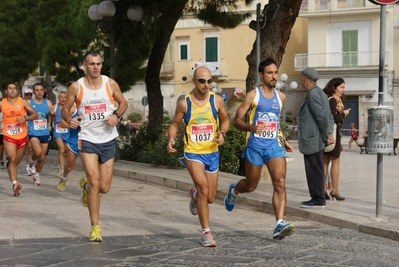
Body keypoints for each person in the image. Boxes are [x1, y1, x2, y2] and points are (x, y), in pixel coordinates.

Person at [223, 57, 295, 240]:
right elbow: (236, 121)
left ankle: (279, 223)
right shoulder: (252, 95)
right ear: (261, 75)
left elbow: (275, 122)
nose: (274, 76)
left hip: (274, 147)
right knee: (251, 185)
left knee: (279, 181)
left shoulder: (281, 97)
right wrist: (252, 128)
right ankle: (235, 190)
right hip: (255, 147)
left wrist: (283, 138)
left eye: (276, 72)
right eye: (269, 73)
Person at [62, 50, 127, 242]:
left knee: (104, 188)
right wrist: (70, 119)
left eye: (98, 63)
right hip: (88, 138)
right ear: (85, 65)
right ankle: (95, 227)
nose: (96, 67)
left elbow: (123, 103)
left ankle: (86, 189)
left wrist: (116, 115)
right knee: (95, 182)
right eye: (92, 64)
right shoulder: (77, 87)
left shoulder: (110, 83)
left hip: (107, 139)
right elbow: (66, 108)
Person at [167, 66, 229, 247]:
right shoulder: (184, 103)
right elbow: (174, 124)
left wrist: (222, 133)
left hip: (212, 152)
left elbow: (225, 120)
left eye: (209, 81)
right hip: (193, 153)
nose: (206, 84)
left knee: (209, 197)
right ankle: (206, 233)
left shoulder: (216, 101)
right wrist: (171, 138)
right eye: (202, 81)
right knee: (203, 188)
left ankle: (194, 196)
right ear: (194, 81)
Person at [297, 68, 334, 208]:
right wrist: (329, 133)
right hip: (317, 138)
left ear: (306, 79)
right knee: (317, 169)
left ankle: (318, 199)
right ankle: (318, 198)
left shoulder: (313, 94)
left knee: (314, 171)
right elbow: (329, 117)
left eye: (301, 78)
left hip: (313, 139)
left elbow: (322, 117)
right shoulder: (320, 93)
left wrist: (326, 136)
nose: (300, 81)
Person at [0, 82, 37, 196]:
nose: (12, 90)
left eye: (14, 88)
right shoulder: (2, 103)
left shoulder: (22, 102)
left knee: (17, 161)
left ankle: (12, 174)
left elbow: (35, 115)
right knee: (12, 158)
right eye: (10, 88)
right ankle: (15, 183)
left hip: (21, 136)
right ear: (6, 91)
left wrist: (25, 118)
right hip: (8, 135)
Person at [323, 78, 350, 201]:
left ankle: (324, 190)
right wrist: (344, 114)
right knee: (335, 161)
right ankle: (334, 190)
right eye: (341, 87)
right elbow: (333, 118)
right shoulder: (333, 100)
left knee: (325, 162)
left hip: (327, 134)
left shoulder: (331, 100)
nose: (343, 90)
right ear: (334, 88)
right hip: (333, 134)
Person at [27, 83, 54, 186]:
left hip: (44, 132)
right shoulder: (29, 102)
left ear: (44, 91)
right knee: (37, 152)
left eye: (41, 90)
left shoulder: (47, 102)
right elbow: (23, 115)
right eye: (37, 90)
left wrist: (51, 116)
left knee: (42, 158)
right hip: (33, 132)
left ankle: (37, 174)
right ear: (34, 92)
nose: (39, 92)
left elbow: (52, 117)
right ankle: (31, 162)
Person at [57, 103, 79, 192]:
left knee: (91, 166)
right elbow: (61, 123)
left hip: (89, 141)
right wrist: (72, 124)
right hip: (74, 141)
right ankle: (64, 177)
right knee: (70, 166)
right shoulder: (73, 108)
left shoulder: (93, 108)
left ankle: (93, 186)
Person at [53, 91, 69, 177]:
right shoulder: (55, 107)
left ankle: (60, 164)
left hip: (67, 131)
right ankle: (62, 170)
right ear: (58, 98)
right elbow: (50, 116)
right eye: (61, 97)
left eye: (65, 97)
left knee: (65, 152)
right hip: (58, 131)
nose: (63, 99)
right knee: (61, 149)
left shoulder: (69, 108)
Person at [22, 88, 33, 175]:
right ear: (24, 95)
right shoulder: (21, 104)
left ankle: (28, 167)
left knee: (30, 149)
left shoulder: (34, 104)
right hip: (22, 129)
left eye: (30, 94)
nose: (29, 96)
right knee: (23, 151)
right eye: (27, 95)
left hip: (32, 129)